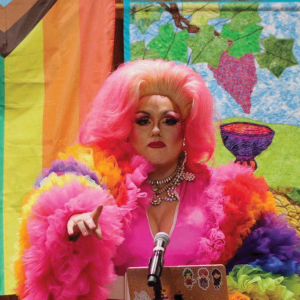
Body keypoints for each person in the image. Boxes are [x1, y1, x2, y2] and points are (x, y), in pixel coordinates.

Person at [14, 60, 300, 300]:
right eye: (143, 120)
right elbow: (60, 211)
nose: (155, 130)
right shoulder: (101, 183)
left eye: (169, 120)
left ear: (186, 128)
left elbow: (268, 267)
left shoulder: (228, 194)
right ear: (126, 127)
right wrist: (69, 227)